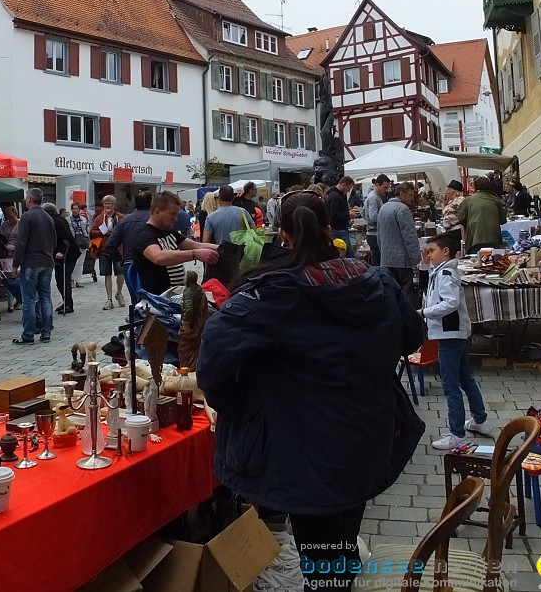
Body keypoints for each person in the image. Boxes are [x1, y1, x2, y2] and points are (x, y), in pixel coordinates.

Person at [198, 189, 423, 590]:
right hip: (366, 433)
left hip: (305, 447)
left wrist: (237, 403)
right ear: (327, 229)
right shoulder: (374, 280)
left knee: (321, 552)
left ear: (282, 234)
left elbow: (214, 356)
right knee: (339, 538)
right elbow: (412, 337)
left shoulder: (271, 294)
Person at [422, 233, 494, 450]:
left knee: (450, 385)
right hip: (456, 333)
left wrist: (425, 312)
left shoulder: (446, 273)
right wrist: (425, 264)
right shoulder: (443, 270)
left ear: (446, 252)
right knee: (465, 378)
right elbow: (432, 283)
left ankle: (457, 433)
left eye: (432, 250)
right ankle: (480, 420)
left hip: (449, 335)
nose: (429, 254)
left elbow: (450, 302)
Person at [132, 192, 219, 295]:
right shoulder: (143, 235)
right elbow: (158, 257)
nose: (176, 218)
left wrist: (221, 248)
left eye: (177, 214)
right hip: (158, 299)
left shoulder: (168, 231)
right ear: (158, 212)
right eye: (172, 214)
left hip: (176, 294)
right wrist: (195, 254)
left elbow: (197, 245)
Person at [12, 188, 57, 344]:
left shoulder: (27, 217)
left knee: (29, 299)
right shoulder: (48, 217)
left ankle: (28, 334)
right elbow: (54, 241)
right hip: (47, 261)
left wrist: (15, 264)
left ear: (30, 199)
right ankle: (46, 332)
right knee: (45, 297)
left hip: (31, 262)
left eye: (26, 198)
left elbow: (21, 242)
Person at [377, 182, 421, 301]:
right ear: (401, 194)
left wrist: (383, 253)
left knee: (392, 294)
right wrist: (416, 260)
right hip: (402, 261)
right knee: (408, 294)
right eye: (410, 195)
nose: (412, 198)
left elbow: (379, 236)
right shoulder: (402, 209)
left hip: (387, 259)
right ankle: (408, 318)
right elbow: (410, 237)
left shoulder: (383, 208)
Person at [90, 195, 126, 310]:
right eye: (105, 204)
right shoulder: (100, 218)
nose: (107, 206)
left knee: (120, 273)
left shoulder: (120, 217)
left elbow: (125, 231)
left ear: (114, 205)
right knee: (107, 275)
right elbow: (92, 232)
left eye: (109, 203)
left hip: (118, 250)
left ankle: (119, 293)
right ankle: (109, 299)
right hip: (104, 251)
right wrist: (102, 232)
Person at [105, 190, 152, 276]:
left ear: (135, 202)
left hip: (130, 262)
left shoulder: (124, 221)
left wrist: (120, 259)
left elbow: (110, 245)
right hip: (151, 262)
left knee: (134, 289)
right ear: (150, 202)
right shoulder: (155, 219)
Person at [45, 203, 78, 315]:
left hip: (68, 254)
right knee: (60, 280)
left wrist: (62, 251)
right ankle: (66, 302)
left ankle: (69, 304)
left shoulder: (57, 221)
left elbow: (67, 237)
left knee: (64, 279)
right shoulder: (54, 219)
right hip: (61, 255)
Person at [458, 176, 505, 254]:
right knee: (494, 262)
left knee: (474, 263)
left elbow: (461, 219)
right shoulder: (496, 199)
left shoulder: (468, 201)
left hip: (474, 239)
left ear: (475, 186)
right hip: (494, 238)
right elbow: (503, 220)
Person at [363, 175, 391, 265]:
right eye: (384, 187)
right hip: (374, 235)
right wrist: (387, 217)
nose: (386, 190)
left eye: (388, 188)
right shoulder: (374, 198)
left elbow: (363, 212)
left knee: (377, 261)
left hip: (373, 233)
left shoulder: (373, 196)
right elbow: (373, 217)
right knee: (378, 263)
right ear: (377, 185)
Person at [325, 176, 356, 253]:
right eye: (348, 188)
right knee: (344, 254)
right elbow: (333, 215)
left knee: (348, 254)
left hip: (341, 229)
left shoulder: (339, 195)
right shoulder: (335, 196)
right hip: (338, 230)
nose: (348, 191)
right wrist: (348, 215)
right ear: (344, 185)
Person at [68, 202, 90, 289]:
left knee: (80, 262)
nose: (75, 210)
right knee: (74, 262)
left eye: (76, 208)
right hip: (73, 242)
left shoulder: (84, 219)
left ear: (79, 209)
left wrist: (88, 239)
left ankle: (78, 280)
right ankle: (72, 280)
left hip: (82, 242)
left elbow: (87, 230)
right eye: (73, 208)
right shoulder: (68, 220)